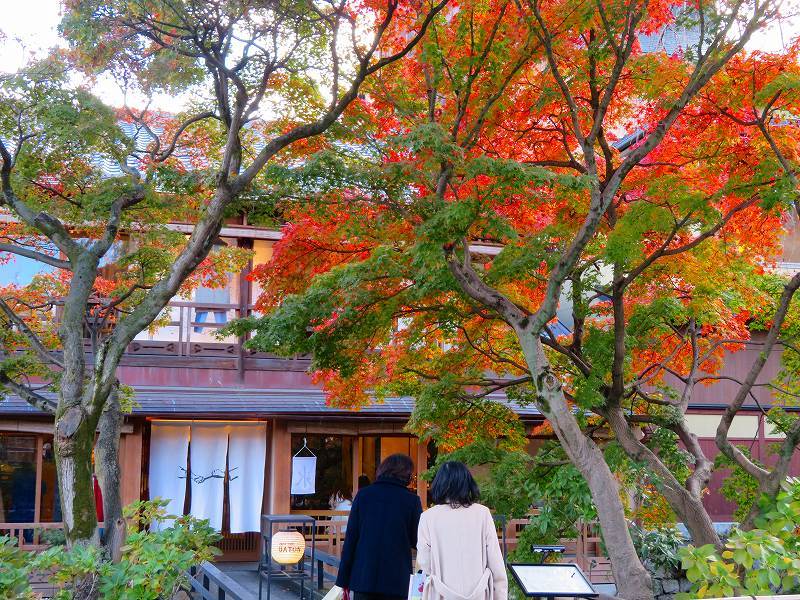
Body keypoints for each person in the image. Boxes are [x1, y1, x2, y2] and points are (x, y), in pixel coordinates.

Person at [417, 461, 508, 600]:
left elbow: (425, 564)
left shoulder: (428, 517)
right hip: (478, 594)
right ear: (467, 483)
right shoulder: (482, 513)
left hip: (441, 594)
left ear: (439, 484)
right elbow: (496, 564)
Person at [336, 454, 422, 600]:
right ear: (406, 474)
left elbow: (351, 539)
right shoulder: (411, 501)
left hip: (364, 578)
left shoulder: (364, 495)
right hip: (397, 580)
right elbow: (417, 540)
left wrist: (343, 580)